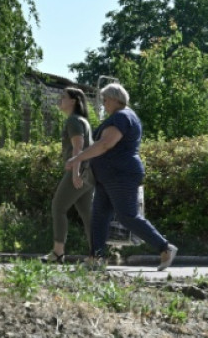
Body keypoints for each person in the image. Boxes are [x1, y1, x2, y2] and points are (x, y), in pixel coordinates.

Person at [65, 83, 177, 270]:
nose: (104, 104)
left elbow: (105, 144)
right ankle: (96, 258)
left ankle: (165, 247)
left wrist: (78, 158)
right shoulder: (121, 116)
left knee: (127, 216)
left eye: (106, 100)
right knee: (99, 217)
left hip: (120, 174)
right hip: (108, 176)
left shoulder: (122, 117)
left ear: (117, 99)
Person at [42, 87, 95, 263]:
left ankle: (58, 253)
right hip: (89, 172)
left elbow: (78, 148)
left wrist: (75, 172)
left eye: (63, 97)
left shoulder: (73, 120)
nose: (60, 99)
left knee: (58, 207)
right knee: (88, 215)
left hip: (80, 171)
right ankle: (98, 254)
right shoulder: (83, 120)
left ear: (73, 101)